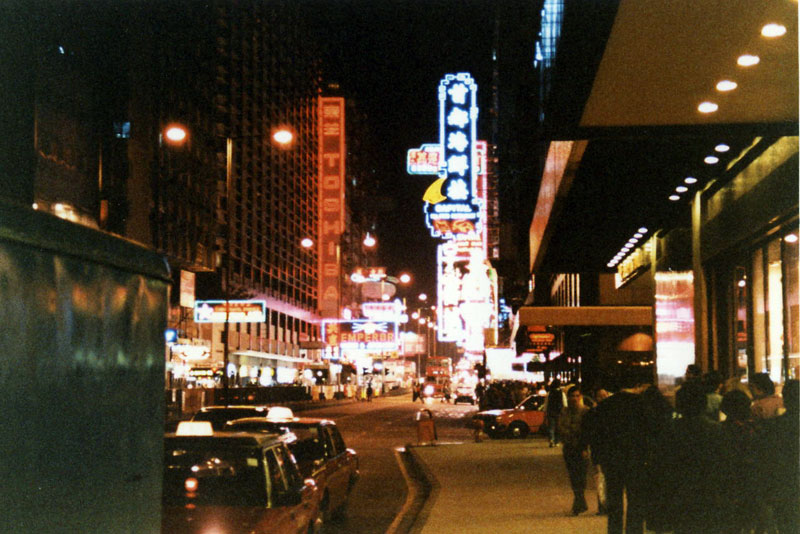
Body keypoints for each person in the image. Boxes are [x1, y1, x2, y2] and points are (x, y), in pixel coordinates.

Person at [661, 380, 726, 534]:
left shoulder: (670, 430)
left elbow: (663, 464)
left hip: (679, 492)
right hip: (709, 491)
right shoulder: (716, 429)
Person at [589, 376, 650, 534]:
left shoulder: (605, 406)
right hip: (636, 459)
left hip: (612, 460)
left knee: (614, 501)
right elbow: (649, 433)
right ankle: (634, 530)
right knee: (635, 501)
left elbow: (597, 435)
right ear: (636, 385)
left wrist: (597, 459)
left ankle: (614, 530)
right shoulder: (642, 404)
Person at [558, 384, 590, 515]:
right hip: (569, 447)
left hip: (581, 448)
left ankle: (578, 503)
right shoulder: (564, 411)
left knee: (581, 475)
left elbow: (586, 431)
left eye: (577, 396)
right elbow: (561, 428)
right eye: (572, 396)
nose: (575, 399)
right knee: (573, 475)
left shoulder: (585, 411)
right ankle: (580, 502)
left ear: (580, 397)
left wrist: (584, 446)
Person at [544, 378, 565, 447]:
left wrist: (545, 411)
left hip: (551, 412)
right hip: (559, 412)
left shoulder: (549, 393)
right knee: (558, 427)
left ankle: (551, 440)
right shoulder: (561, 393)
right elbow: (565, 403)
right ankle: (557, 441)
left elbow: (546, 403)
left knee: (551, 427)